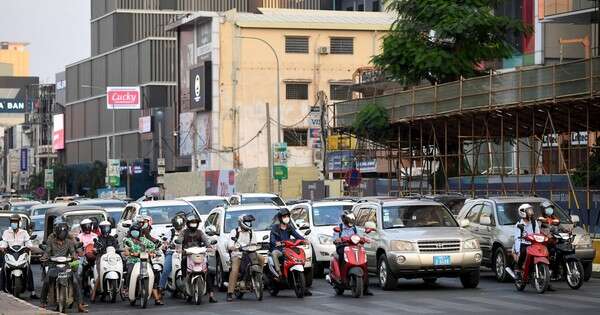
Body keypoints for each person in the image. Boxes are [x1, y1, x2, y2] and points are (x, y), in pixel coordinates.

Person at [40, 220, 88, 312]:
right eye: (61, 232)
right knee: (46, 281)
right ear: (57, 232)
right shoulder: (51, 241)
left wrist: (75, 257)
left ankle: (80, 305)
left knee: (75, 282)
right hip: (53, 265)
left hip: (66, 266)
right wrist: (44, 257)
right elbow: (47, 252)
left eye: (64, 232)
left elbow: (73, 252)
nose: (63, 234)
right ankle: (42, 302)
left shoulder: (69, 242)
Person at [268, 208, 311, 295]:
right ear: (280, 218)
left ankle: (303, 287)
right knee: (274, 253)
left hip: (288, 249)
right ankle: (279, 273)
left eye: (287, 216)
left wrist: (304, 240)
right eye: (284, 216)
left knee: (299, 252)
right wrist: (277, 243)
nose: (286, 218)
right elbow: (272, 240)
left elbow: (297, 235)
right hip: (279, 250)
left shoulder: (289, 227)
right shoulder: (275, 228)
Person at [331, 211, 373, 296]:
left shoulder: (355, 228)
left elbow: (361, 235)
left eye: (352, 220)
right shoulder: (339, 228)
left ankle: (366, 286)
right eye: (349, 220)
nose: (350, 222)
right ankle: (340, 276)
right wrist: (338, 240)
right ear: (344, 219)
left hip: (355, 247)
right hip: (342, 247)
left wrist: (366, 239)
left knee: (364, 260)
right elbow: (335, 238)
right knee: (342, 255)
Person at [226, 214, 264, 302]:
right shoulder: (234, 231)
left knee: (262, 258)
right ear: (241, 223)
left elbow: (254, 243)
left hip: (250, 253)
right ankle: (230, 293)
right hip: (238, 254)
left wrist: (254, 246)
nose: (249, 224)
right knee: (234, 270)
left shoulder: (251, 232)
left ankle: (258, 277)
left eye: (250, 222)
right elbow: (230, 245)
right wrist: (234, 247)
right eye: (247, 222)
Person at [123, 223, 163, 305]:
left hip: (145, 262)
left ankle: (156, 298)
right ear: (130, 232)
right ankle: (127, 289)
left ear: (140, 232)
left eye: (136, 231)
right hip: (133, 261)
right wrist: (131, 253)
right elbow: (126, 249)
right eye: (133, 231)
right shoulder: (127, 240)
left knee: (153, 275)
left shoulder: (144, 240)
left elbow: (152, 246)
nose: (135, 233)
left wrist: (151, 252)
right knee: (130, 272)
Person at [181, 214, 217, 303]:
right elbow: (179, 240)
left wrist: (209, 247)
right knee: (183, 263)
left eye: (195, 223)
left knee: (206, 272)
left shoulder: (200, 232)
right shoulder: (183, 232)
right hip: (187, 255)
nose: (193, 225)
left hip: (200, 255)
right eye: (192, 223)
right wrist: (179, 248)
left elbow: (206, 241)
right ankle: (186, 286)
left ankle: (211, 295)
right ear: (188, 224)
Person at [0, 214, 38, 299]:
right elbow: (4, 242)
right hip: (10, 254)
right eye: (12, 222)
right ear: (10, 223)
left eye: (15, 222)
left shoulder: (24, 232)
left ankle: (32, 292)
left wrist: (30, 247)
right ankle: (1, 289)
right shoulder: (6, 232)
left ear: (19, 223)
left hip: (21, 255)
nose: (14, 223)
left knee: (29, 270)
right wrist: (2, 247)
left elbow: (28, 243)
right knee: (3, 269)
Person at [90, 220, 119, 302]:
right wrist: (96, 250)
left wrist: (118, 250)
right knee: (100, 274)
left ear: (110, 228)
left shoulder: (113, 238)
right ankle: (94, 293)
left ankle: (122, 289)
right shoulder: (98, 239)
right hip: (101, 258)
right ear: (100, 229)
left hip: (112, 258)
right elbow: (95, 248)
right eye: (104, 228)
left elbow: (116, 246)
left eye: (107, 227)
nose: (106, 229)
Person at [158, 213, 186, 296]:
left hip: (184, 253)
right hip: (172, 252)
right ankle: (161, 287)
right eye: (177, 226)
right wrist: (166, 244)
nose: (179, 228)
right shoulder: (170, 232)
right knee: (166, 269)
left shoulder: (186, 231)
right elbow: (165, 242)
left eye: (181, 226)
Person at [513, 203, 540, 273]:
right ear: (523, 213)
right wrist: (518, 251)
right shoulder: (519, 224)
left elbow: (538, 234)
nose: (531, 213)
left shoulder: (534, 222)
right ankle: (519, 267)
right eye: (529, 211)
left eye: (531, 210)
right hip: (523, 243)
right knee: (524, 251)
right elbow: (517, 239)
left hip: (533, 244)